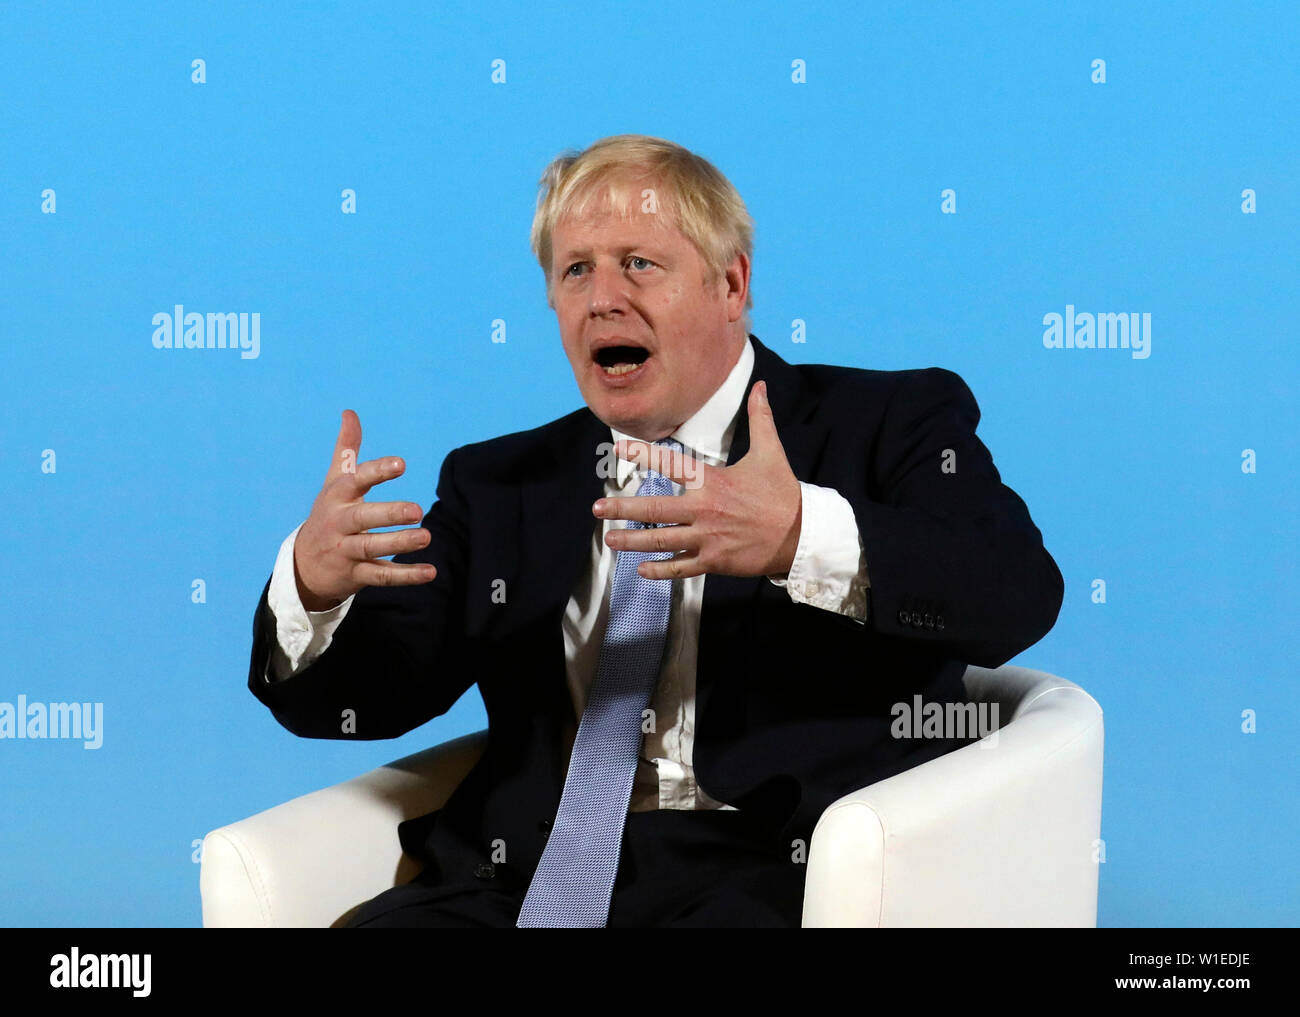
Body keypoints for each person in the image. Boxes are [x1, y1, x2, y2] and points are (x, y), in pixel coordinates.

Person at [246, 134, 1065, 927]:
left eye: (638, 262)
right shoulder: (499, 482)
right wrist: (314, 590)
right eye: (575, 270)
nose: (602, 295)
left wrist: (797, 535)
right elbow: (378, 696)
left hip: (771, 867)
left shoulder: (885, 421)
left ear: (732, 284)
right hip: (518, 875)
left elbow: (1015, 595)